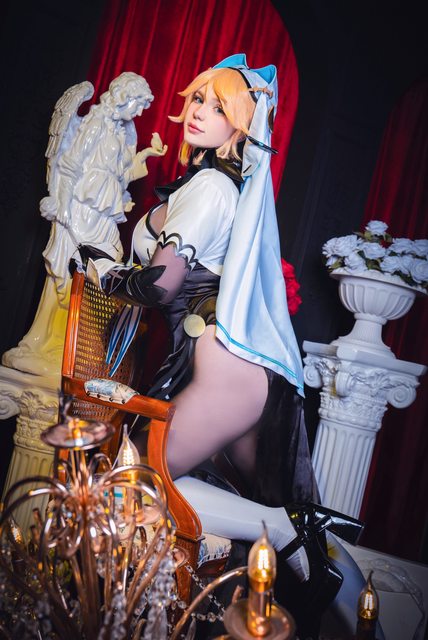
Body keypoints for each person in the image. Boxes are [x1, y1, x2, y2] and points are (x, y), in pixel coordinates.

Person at [79, 55, 367, 639]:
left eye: (219, 107)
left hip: (224, 373)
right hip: (225, 372)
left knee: (133, 483)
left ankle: (281, 530)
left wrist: (104, 271)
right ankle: (338, 585)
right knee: (187, 489)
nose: (199, 113)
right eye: (197, 99)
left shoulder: (210, 186)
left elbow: (161, 286)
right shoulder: (208, 183)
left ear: (240, 126)